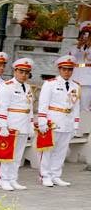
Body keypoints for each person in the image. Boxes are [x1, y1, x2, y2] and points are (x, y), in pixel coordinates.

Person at [37, 55, 80, 187]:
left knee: (61, 151)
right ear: (59, 69)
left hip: (67, 122)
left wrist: (75, 125)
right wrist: (42, 121)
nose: (67, 72)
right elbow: (43, 103)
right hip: (53, 121)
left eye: (70, 69)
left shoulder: (76, 86)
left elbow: (76, 106)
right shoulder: (50, 84)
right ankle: (45, 175)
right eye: (64, 69)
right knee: (47, 150)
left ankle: (56, 175)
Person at [0, 57, 35, 191]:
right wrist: (3, 125)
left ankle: (12, 178)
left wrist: (31, 125)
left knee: (17, 155)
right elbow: (2, 107)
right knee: (6, 154)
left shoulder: (27, 87)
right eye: (21, 72)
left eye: (26, 72)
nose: (24, 75)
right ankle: (2, 179)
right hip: (11, 125)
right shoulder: (7, 86)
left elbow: (30, 108)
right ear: (15, 71)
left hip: (23, 125)